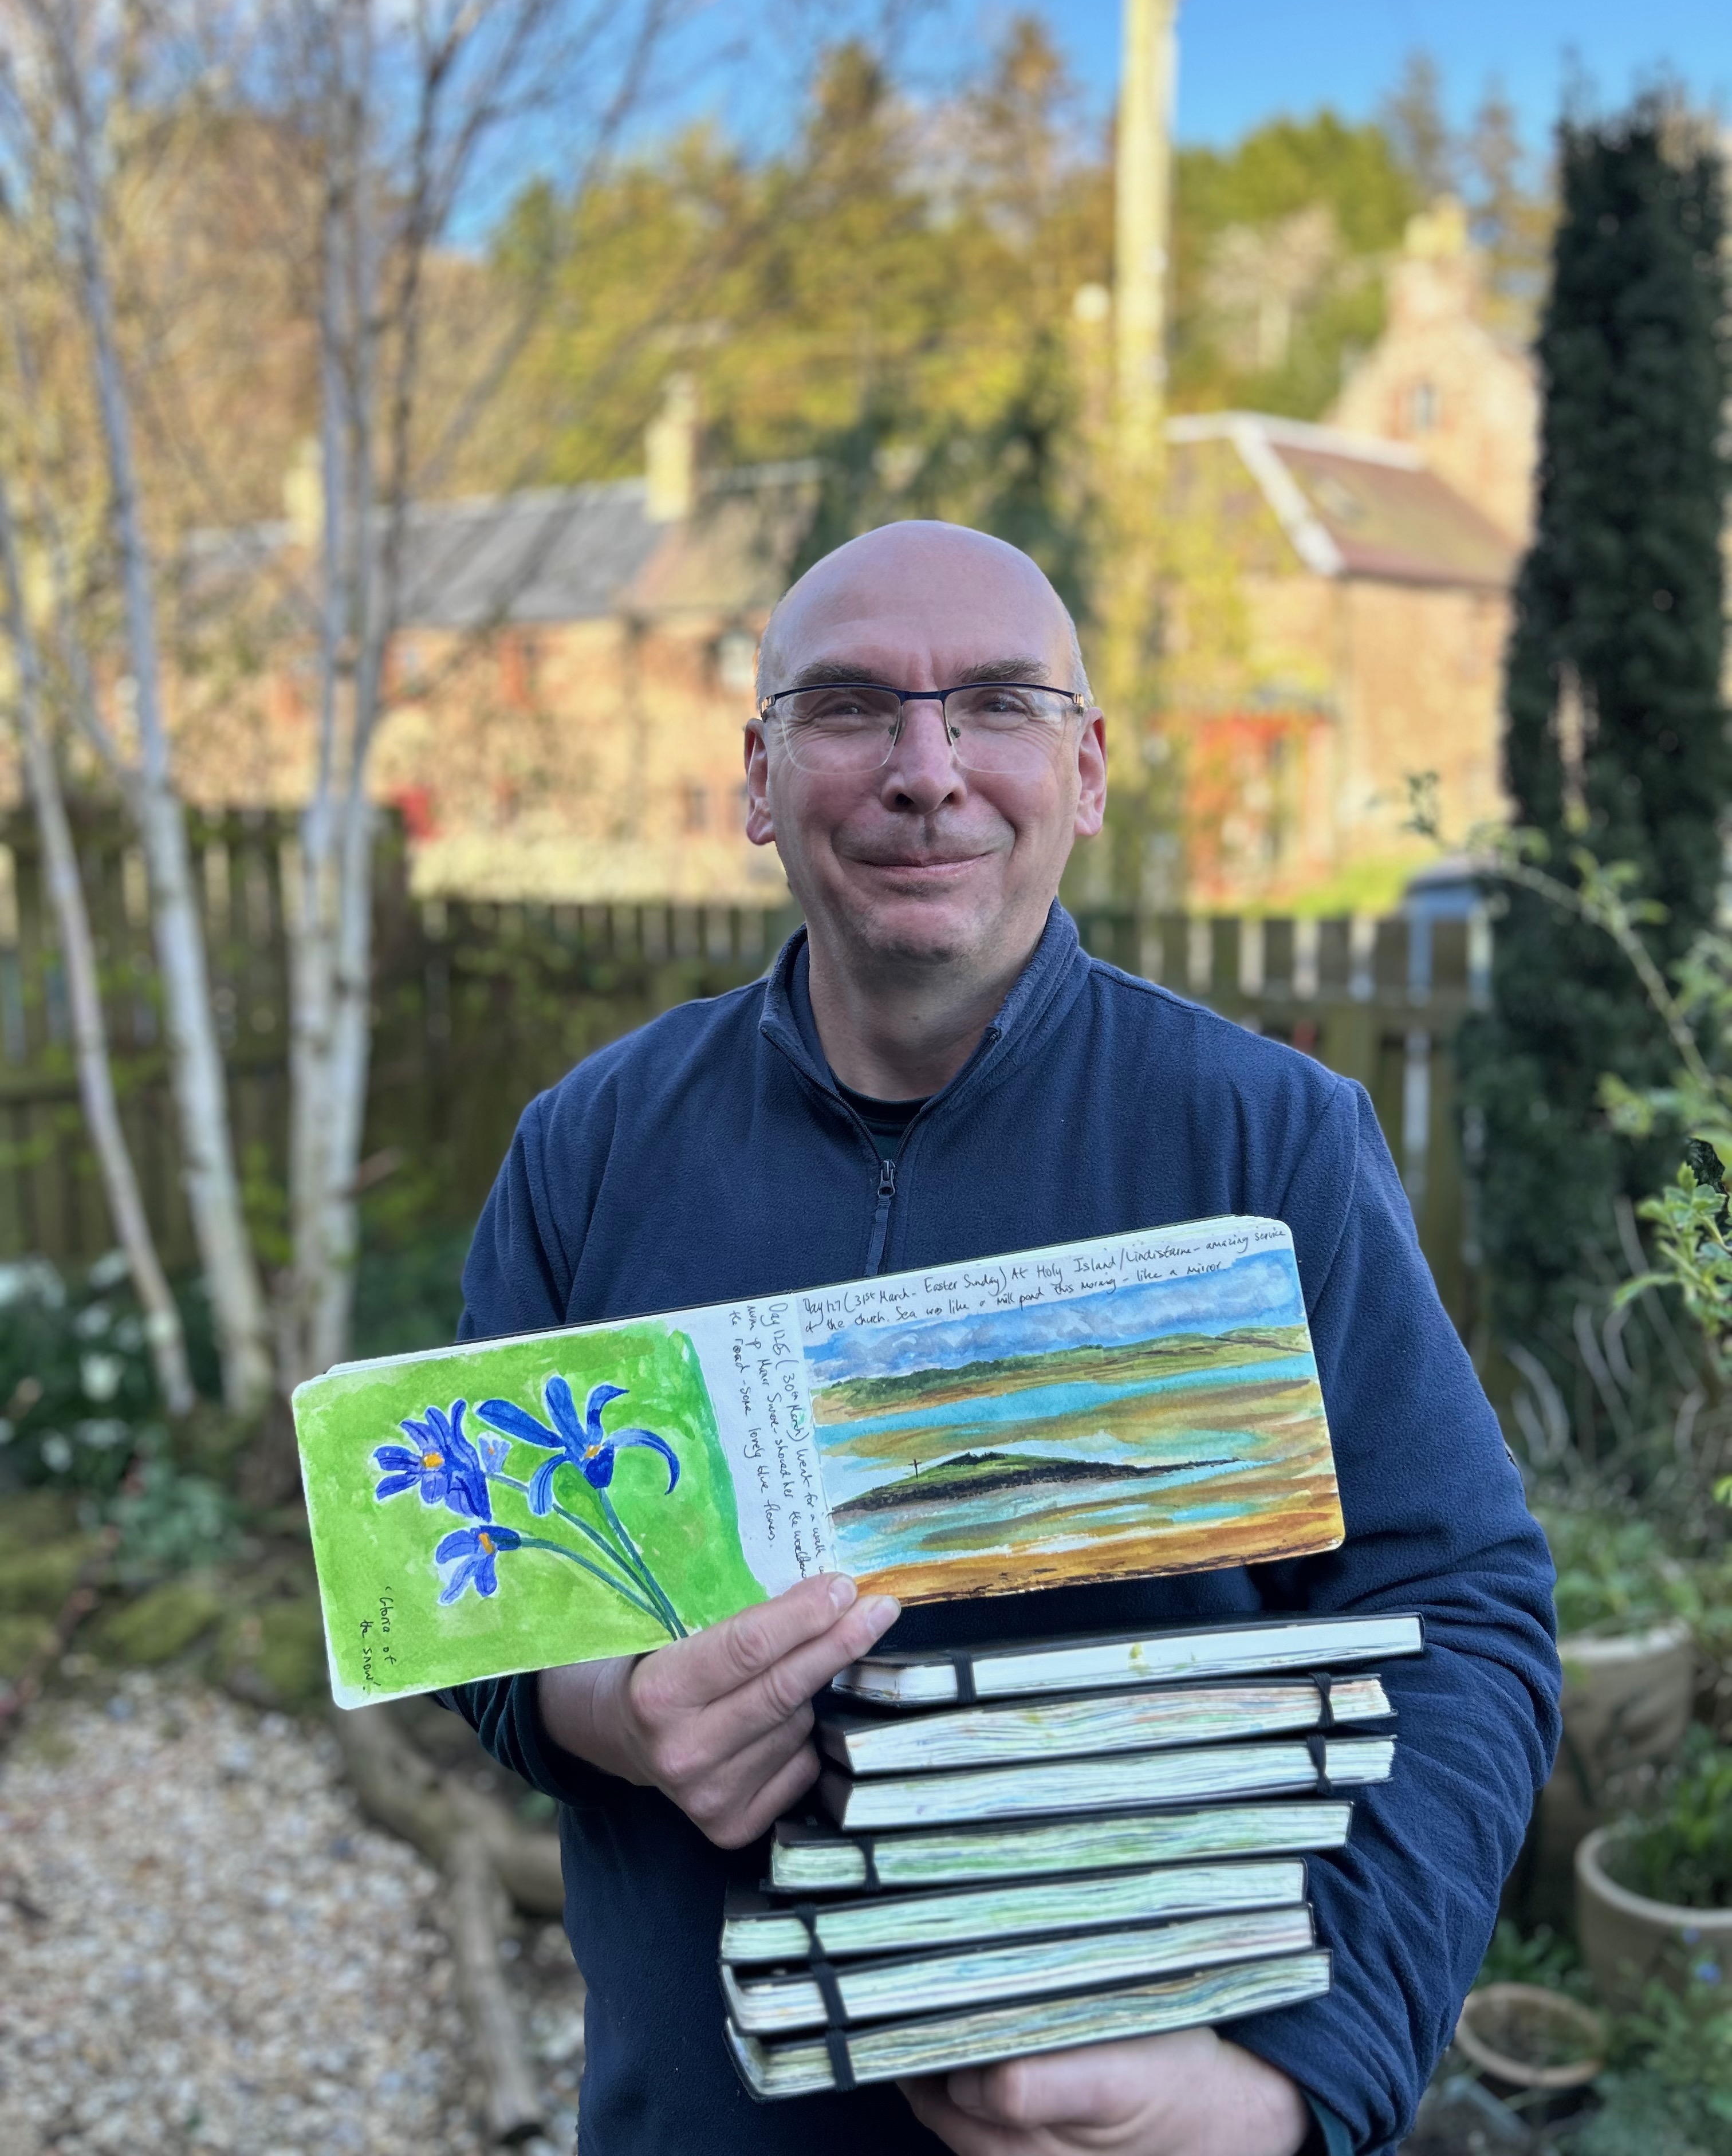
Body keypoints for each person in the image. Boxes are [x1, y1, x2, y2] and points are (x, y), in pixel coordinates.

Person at [447, 520, 1560, 2156]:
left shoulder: (1263, 1147)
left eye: (998, 704)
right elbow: (474, 1600)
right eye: (849, 708)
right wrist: (604, 1709)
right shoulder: (590, 1151)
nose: (926, 767)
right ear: (759, 778)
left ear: (1090, 771)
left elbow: (1463, 1618)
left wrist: (1286, 2086)